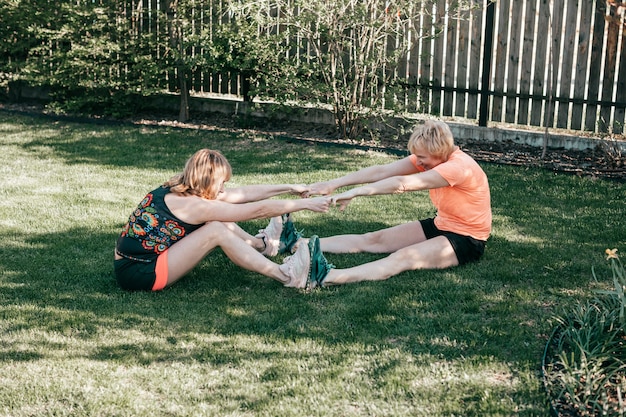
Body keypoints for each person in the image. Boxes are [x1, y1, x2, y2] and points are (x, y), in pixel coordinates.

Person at [286, 120, 492, 289]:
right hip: (442, 225)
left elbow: (400, 184)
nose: (418, 163)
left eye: (422, 158)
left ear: (440, 151)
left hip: (467, 239)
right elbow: (382, 172)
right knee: (374, 239)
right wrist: (334, 184)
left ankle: (326, 277)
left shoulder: (458, 168)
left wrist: (356, 192)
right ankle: (297, 244)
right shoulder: (435, 156)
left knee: (403, 257)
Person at [114, 148, 330, 291]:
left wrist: (289, 188)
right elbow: (258, 210)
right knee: (215, 230)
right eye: (221, 183)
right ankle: (287, 276)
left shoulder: (181, 188)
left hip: (135, 263)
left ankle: (262, 245)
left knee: (215, 223)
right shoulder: (194, 206)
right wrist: (306, 204)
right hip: (141, 272)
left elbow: (244, 194)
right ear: (207, 180)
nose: (224, 188)